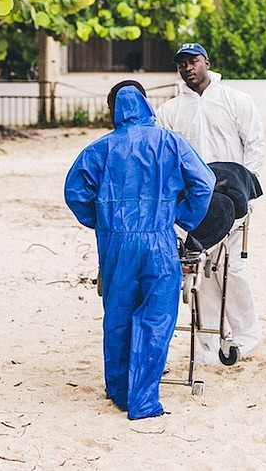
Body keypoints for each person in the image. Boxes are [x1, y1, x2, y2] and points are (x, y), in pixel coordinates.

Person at [64, 80, 215, 420]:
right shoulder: (171, 142)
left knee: (118, 315)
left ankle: (119, 392)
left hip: (117, 241)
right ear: (147, 105)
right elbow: (204, 183)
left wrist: (103, 221)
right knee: (156, 318)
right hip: (159, 239)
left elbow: (75, 193)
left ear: (113, 110)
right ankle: (143, 400)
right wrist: (181, 219)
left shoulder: (99, 149)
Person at [156, 42, 265, 365]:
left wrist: (246, 187)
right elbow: (166, 160)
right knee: (200, 272)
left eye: (193, 61)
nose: (188, 68)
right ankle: (209, 344)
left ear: (207, 62)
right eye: (182, 64)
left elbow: (255, 145)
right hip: (192, 205)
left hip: (232, 201)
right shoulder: (170, 111)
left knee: (232, 268)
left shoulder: (236, 101)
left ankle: (247, 335)